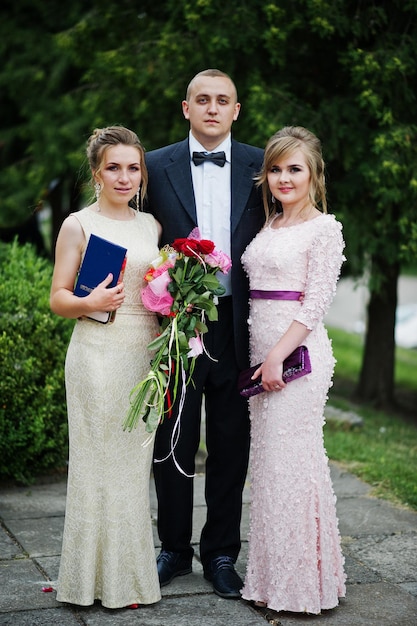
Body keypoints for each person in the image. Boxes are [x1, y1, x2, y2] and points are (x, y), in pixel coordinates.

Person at [145, 69, 264, 598]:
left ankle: (221, 553)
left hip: (242, 328)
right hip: (176, 326)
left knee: (231, 446)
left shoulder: (265, 166)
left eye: (223, 101)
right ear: (186, 107)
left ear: (236, 110)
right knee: (172, 440)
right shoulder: (152, 167)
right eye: (202, 100)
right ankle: (173, 547)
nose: (212, 108)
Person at [50, 126, 162, 609]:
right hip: (95, 353)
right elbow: (57, 299)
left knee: (133, 469)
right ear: (97, 171)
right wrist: (88, 299)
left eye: (133, 167)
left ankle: (129, 580)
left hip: (144, 355)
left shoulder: (151, 226)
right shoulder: (78, 224)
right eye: (114, 167)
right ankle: (85, 582)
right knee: (97, 466)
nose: (124, 177)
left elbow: (156, 289)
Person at [240, 126, 346, 614]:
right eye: (276, 168)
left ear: (314, 174)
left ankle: (302, 587)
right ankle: (271, 580)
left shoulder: (324, 228)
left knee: (293, 467)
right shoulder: (268, 225)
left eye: (295, 169)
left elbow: (315, 302)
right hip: (261, 358)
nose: (284, 177)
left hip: (295, 359)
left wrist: (278, 356)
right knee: (269, 468)